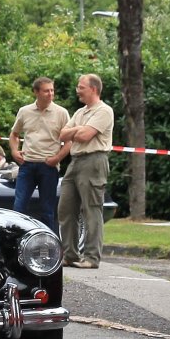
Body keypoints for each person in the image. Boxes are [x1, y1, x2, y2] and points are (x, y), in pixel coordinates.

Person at [56, 73, 114, 269]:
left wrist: (76, 131)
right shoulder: (80, 112)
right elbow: (62, 134)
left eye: (81, 87)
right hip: (75, 162)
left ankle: (91, 257)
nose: (77, 91)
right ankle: (69, 254)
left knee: (91, 209)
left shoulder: (104, 111)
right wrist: (77, 130)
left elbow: (85, 136)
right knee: (65, 208)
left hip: (94, 161)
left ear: (93, 89)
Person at [9, 77, 70, 227]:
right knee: (18, 207)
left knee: (47, 210)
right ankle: (17, 237)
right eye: (46, 91)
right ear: (36, 92)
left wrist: (57, 158)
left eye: (52, 90)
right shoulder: (24, 111)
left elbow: (70, 141)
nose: (50, 94)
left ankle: (48, 240)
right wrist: (14, 151)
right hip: (27, 165)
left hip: (48, 167)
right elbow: (14, 134)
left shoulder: (61, 113)